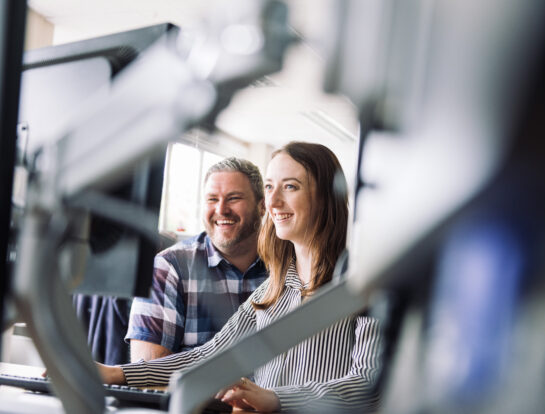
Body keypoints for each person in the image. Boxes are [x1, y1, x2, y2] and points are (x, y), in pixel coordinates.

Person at [100, 142, 382, 412]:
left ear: (326, 196)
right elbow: (208, 355)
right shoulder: (272, 291)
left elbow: (368, 384)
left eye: (290, 187)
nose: (273, 200)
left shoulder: (365, 281)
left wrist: (274, 399)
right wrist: (115, 373)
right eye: (270, 187)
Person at [125, 157, 268, 362]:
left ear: (262, 206)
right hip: (198, 394)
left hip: (276, 394)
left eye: (234, 198)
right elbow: (147, 370)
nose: (221, 210)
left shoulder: (288, 264)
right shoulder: (169, 267)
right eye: (212, 199)